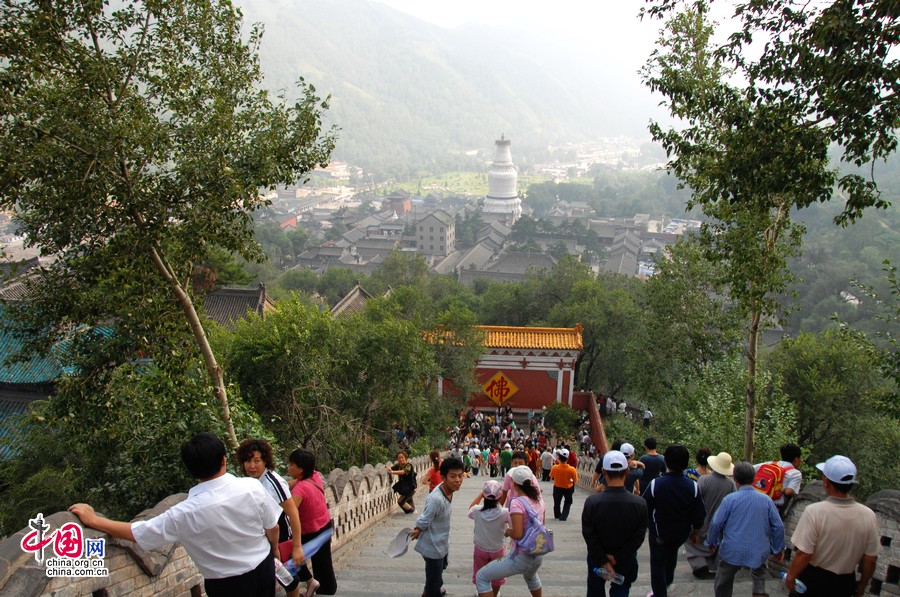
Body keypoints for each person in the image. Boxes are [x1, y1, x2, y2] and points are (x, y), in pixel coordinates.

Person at [70, 433, 281, 597]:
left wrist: (94, 520)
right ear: (224, 460)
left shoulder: (184, 513)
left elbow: (138, 532)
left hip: (226, 585)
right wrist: (274, 550)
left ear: (191, 470)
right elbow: (273, 527)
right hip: (263, 569)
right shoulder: (251, 487)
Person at [784, 455, 880, 597]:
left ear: (826, 482)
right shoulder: (868, 515)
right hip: (845, 583)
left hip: (814, 580)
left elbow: (804, 553)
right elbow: (870, 559)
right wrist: (862, 585)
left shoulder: (815, 511)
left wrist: (791, 577)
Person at [237, 438, 309, 597]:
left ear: (265, 461)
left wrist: (297, 546)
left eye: (257, 461)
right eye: (248, 461)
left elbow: (293, 513)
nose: (252, 466)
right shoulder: (251, 482)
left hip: (280, 539)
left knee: (289, 580)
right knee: (287, 580)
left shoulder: (272, 482)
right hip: (266, 539)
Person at [705, 462, 784, 597]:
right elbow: (778, 526)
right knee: (759, 576)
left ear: (735, 479)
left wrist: (711, 542)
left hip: (732, 549)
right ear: (754, 479)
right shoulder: (766, 500)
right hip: (759, 550)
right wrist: (778, 549)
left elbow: (717, 522)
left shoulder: (730, 500)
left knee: (723, 581)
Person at [582, 450, 649, 597]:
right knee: (621, 588)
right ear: (627, 471)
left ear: (604, 472)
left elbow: (589, 534)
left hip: (597, 558)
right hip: (626, 559)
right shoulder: (640, 504)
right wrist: (618, 557)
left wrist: (603, 560)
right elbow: (638, 537)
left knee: (595, 590)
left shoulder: (592, 503)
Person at [643, 444, 706, 597]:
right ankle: (667, 580)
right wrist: (696, 530)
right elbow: (699, 513)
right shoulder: (693, 486)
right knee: (671, 557)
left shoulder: (656, 484)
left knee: (657, 563)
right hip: (681, 533)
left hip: (659, 532)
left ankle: (660, 592)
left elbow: (644, 506)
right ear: (685, 464)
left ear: (667, 462)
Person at [475, 466, 546, 597]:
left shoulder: (517, 503)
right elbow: (542, 524)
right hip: (538, 552)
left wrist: (508, 532)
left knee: (482, 577)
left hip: (521, 555)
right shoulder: (539, 499)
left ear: (513, 482)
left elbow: (518, 534)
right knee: (531, 577)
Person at [412, 457, 466, 597]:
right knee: (434, 579)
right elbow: (424, 518)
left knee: (440, 568)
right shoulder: (437, 499)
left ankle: (432, 588)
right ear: (443, 477)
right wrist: (418, 529)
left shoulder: (448, 490)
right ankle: (431, 591)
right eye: (453, 476)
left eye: (460, 476)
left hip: (442, 542)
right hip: (433, 546)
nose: (458, 480)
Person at [287, 449, 338, 596]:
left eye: (291, 465)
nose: (288, 467)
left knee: (291, 560)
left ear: (300, 469)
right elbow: (296, 481)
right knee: (323, 562)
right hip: (325, 526)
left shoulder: (300, 489)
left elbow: (288, 510)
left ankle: (311, 582)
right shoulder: (314, 476)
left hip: (311, 532)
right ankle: (327, 588)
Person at [686, 451, 736, 580]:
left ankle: (699, 566)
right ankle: (714, 565)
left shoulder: (704, 480)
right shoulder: (730, 484)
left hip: (702, 521)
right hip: (719, 523)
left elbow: (694, 500)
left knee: (692, 543)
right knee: (714, 545)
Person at [469, 480, 511, 597]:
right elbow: (513, 525)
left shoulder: (477, 510)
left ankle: (481, 591)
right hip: (497, 549)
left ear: (484, 495)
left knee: (479, 572)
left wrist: (480, 494)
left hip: (480, 548)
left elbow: (470, 508)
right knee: (497, 574)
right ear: (500, 496)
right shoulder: (505, 512)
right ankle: (494, 593)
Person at [753, 443, 803, 516]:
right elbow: (788, 492)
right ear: (796, 459)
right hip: (773, 508)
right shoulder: (795, 473)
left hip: (755, 501)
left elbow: (750, 469)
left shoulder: (769, 464)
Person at [549, 448, 578, 521]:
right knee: (568, 502)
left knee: (557, 502)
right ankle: (563, 516)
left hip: (557, 487)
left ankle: (557, 515)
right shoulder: (572, 469)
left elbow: (551, 475)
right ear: (567, 458)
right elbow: (575, 480)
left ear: (559, 457)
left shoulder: (555, 467)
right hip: (568, 487)